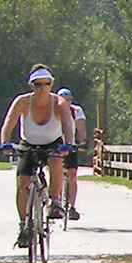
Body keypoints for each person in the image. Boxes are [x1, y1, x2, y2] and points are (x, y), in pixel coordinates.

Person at [0, 65, 75, 249]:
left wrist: (69, 144)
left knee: (56, 161)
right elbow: (8, 123)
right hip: (29, 143)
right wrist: (5, 143)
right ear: (31, 85)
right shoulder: (23, 102)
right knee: (22, 182)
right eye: (37, 84)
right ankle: (24, 225)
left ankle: (55, 201)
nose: (42, 88)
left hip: (53, 142)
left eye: (46, 84)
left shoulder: (59, 103)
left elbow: (67, 124)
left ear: (51, 85)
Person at [57, 87, 87, 220]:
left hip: (70, 145)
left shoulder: (76, 110)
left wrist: (83, 141)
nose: (67, 102)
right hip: (55, 145)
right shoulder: (52, 109)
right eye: (64, 100)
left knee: (72, 174)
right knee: (54, 171)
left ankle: (72, 207)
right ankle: (55, 200)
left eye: (69, 100)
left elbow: (81, 128)